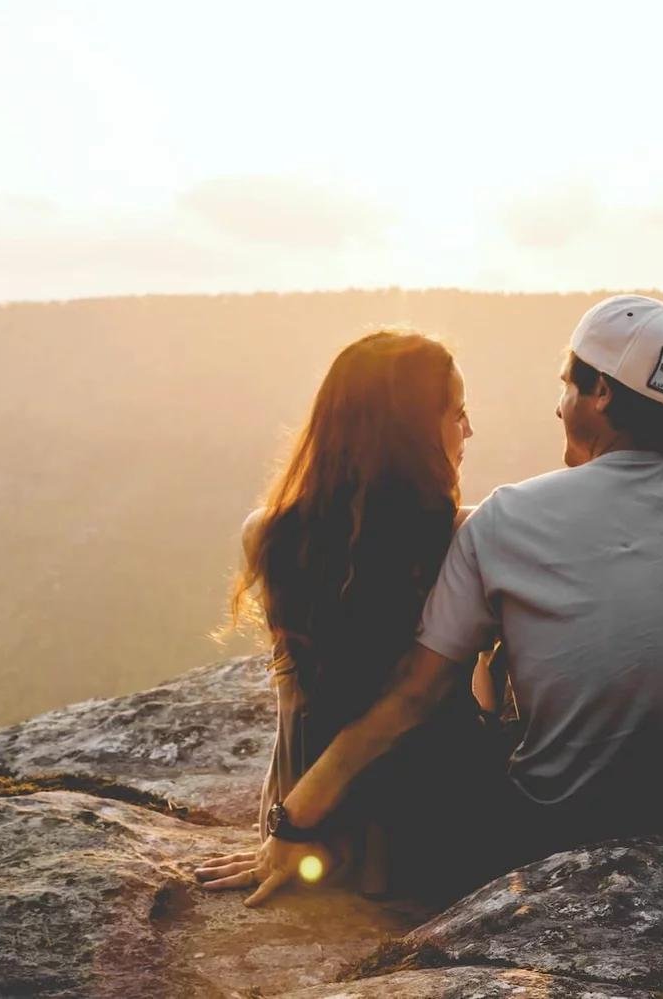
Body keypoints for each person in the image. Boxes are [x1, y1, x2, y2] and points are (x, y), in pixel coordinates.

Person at [230, 294, 663, 907]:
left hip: (559, 827)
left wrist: (295, 814)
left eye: (567, 386)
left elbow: (413, 693)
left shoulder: (507, 519)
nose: (558, 405)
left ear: (601, 395)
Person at [194, 328, 499, 904]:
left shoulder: (267, 534)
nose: (469, 431)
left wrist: (284, 825)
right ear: (410, 433)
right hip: (435, 830)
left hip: (308, 826)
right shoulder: (468, 535)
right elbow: (423, 700)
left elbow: (296, 705)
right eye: (458, 413)